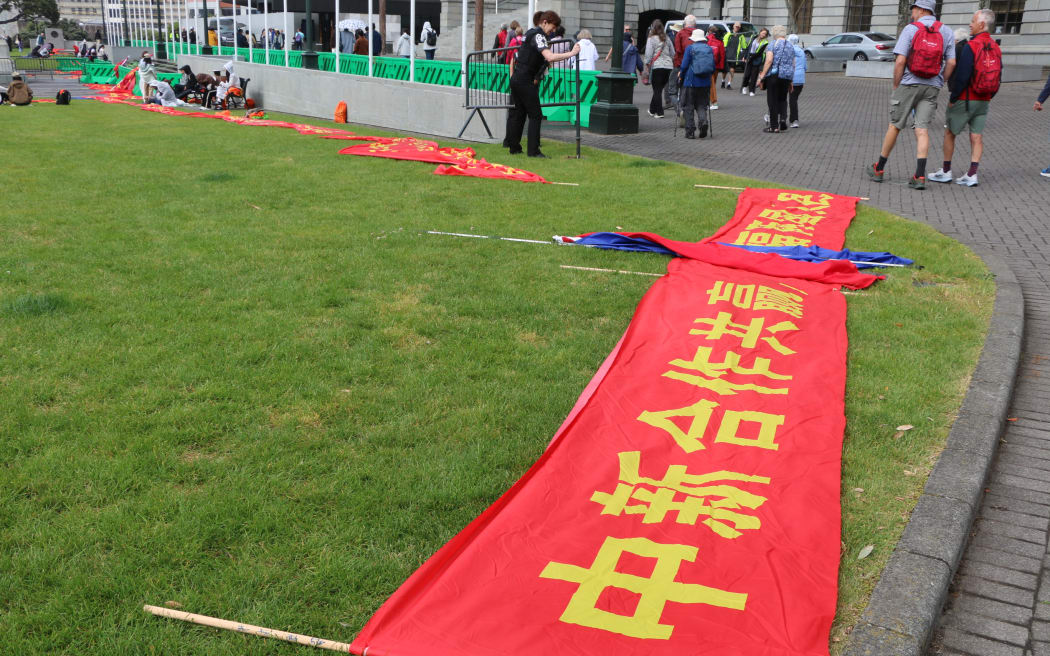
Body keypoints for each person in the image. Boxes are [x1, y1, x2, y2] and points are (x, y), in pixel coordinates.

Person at [867, 0, 956, 189]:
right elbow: (952, 63)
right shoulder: (946, 31)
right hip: (932, 86)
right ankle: (919, 176)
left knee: (895, 126)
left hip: (909, 83)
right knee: (922, 130)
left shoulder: (910, 29)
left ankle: (879, 169)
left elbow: (900, 61)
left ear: (923, 9)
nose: (913, 12)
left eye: (914, 8)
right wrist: (941, 80)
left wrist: (896, 85)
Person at [928, 9, 1000, 187]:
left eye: (973, 21)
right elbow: (999, 76)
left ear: (982, 25)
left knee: (950, 132)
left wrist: (953, 98)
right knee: (977, 136)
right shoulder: (996, 47)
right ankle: (972, 174)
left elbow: (962, 76)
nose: (970, 24)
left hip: (966, 98)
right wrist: (989, 95)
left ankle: (945, 171)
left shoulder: (971, 46)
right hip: (984, 100)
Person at [504, 10, 581, 157]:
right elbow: (549, 57)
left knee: (519, 114)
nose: (553, 30)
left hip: (517, 78)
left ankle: (514, 147)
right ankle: (533, 151)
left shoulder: (530, 33)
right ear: (545, 22)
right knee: (535, 115)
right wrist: (571, 54)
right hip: (525, 80)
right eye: (553, 26)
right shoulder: (539, 35)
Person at [678, 29, 712, 139]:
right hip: (705, 82)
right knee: (701, 105)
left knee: (688, 106)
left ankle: (690, 131)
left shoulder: (690, 48)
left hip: (691, 81)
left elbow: (684, 65)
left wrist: (680, 74)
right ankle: (703, 123)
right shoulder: (709, 48)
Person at [759, 25, 793, 132]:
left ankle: (773, 126)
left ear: (775, 34)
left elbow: (769, 60)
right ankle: (782, 119)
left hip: (775, 75)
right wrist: (791, 81)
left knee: (772, 100)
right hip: (786, 76)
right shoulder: (790, 45)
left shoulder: (773, 44)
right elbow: (793, 64)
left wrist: (762, 75)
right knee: (782, 99)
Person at [643, 19, 674, 118]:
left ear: (653, 28)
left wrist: (647, 64)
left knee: (657, 90)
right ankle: (652, 110)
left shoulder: (651, 39)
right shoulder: (667, 38)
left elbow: (648, 54)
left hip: (657, 66)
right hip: (669, 67)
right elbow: (673, 53)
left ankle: (659, 112)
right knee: (659, 89)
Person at [670, 15, 697, 108]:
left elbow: (678, 50)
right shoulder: (698, 34)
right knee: (685, 90)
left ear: (685, 24)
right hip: (694, 66)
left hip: (680, 65)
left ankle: (679, 110)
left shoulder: (680, 34)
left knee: (672, 89)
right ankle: (685, 109)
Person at [787, 33, 806, 127]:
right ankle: (793, 119)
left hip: (790, 78)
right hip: (800, 79)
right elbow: (805, 67)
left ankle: (794, 120)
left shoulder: (789, 50)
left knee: (788, 99)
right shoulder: (802, 51)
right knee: (794, 99)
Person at [742, 28, 768, 96]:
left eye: (765, 34)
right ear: (760, 32)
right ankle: (744, 86)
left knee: (754, 76)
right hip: (749, 58)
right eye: (763, 33)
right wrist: (745, 57)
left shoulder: (765, 42)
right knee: (747, 75)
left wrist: (750, 57)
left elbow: (759, 53)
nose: (763, 34)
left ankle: (752, 90)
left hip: (756, 59)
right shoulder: (753, 38)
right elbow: (748, 48)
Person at [722, 23, 748, 89]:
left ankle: (729, 84)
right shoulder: (728, 35)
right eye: (736, 26)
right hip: (727, 55)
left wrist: (743, 55)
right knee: (724, 71)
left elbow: (744, 46)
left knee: (732, 70)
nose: (737, 28)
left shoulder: (741, 36)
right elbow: (724, 45)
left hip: (735, 56)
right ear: (733, 26)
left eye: (738, 27)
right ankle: (723, 81)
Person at [707, 26, 725, 109]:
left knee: (710, 84)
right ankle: (712, 102)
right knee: (713, 83)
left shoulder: (706, 40)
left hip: (707, 65)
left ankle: (713, 102)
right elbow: (722, 55)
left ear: (709, 31)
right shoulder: (720, 41)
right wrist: (721, 67)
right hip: (716, 66)